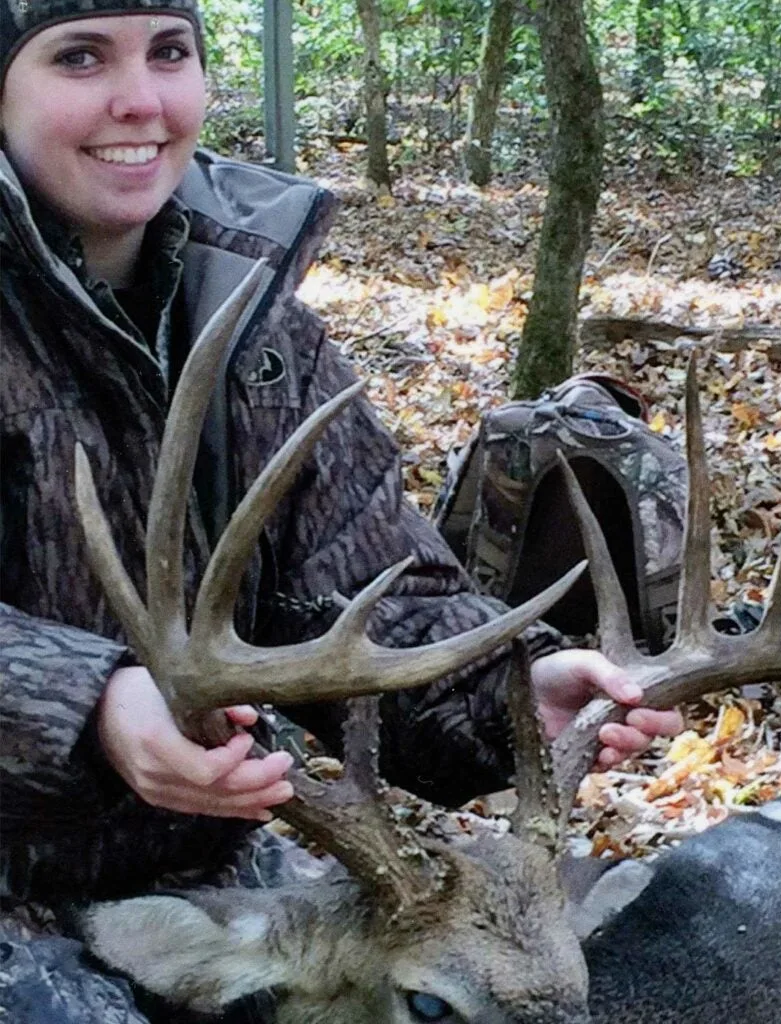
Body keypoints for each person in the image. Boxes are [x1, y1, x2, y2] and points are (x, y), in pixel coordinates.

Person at [0, 1, 682, 1018]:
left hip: (203, 867)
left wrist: (506, 693)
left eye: (170, 52)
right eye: (80, 56)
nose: (139, 99)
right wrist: (90, 704)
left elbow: (359, 587)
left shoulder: (256, 321)